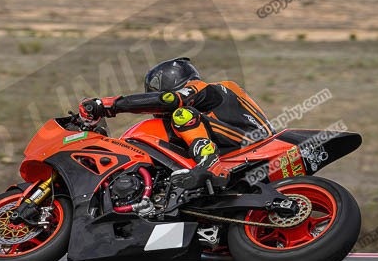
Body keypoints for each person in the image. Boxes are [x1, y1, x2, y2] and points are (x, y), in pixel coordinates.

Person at [79, 57, 274, 192]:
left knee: (182, 114)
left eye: (155, 90)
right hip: (241, 150)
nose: (153, 97)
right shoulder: (209, 106)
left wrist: (109, 105)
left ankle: (209, 162)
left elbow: (169, 100)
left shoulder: (203, 89)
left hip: (252, 143)